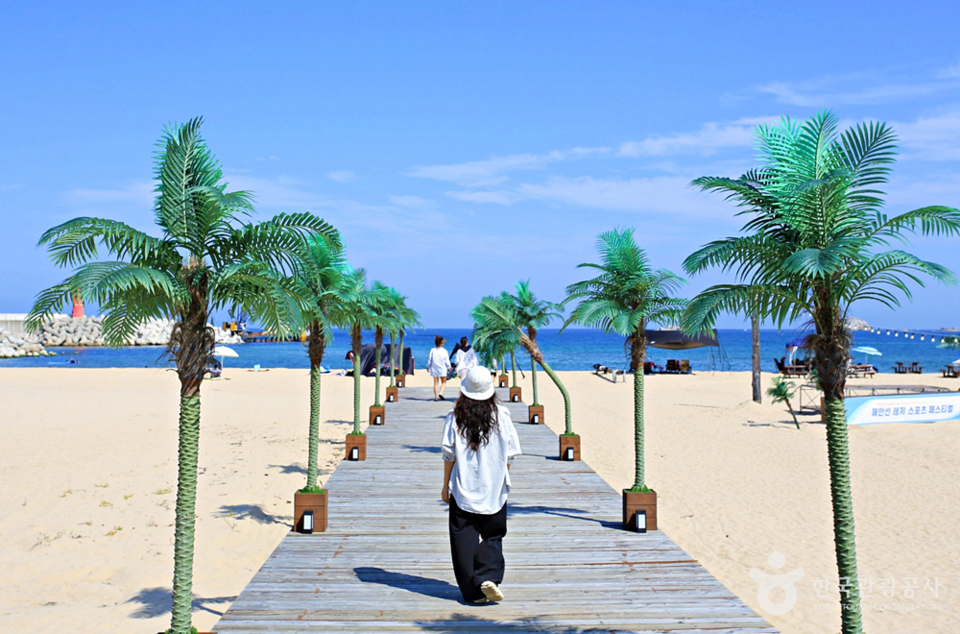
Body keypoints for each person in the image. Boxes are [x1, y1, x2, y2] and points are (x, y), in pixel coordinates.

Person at [441, 366, 522, 605]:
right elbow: (510, 455)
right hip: (494, 487)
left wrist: (445, 486)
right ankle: (489, 577)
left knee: (462, 538)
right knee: (493, 535)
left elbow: (448, 455)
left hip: (463, 486)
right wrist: (502, 479)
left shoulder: (454, 417)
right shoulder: (502, 415)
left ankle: (472, 592)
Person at [426, 335, 452, 401]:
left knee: (435, 383)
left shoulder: (432, 350)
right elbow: (447, 361)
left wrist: (428, 366)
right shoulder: (444, 351)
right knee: (444, 382)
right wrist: (449, 368)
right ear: (441, 343)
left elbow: (429, 359)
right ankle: (441, 393)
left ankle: (436, 397)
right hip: (442, 368)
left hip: (434, 368)